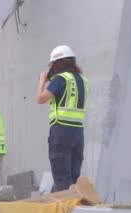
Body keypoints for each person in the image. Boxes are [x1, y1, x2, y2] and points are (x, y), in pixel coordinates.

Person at [36, 45, 88, 192]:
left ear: (57, 63)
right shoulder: (82, 79)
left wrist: (42, 80)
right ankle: (77, 207)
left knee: (61, 174)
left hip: (61, 130)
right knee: (73, 174)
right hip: (77, 131)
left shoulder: (60, 78)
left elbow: (40, 99)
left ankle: (66, 210)